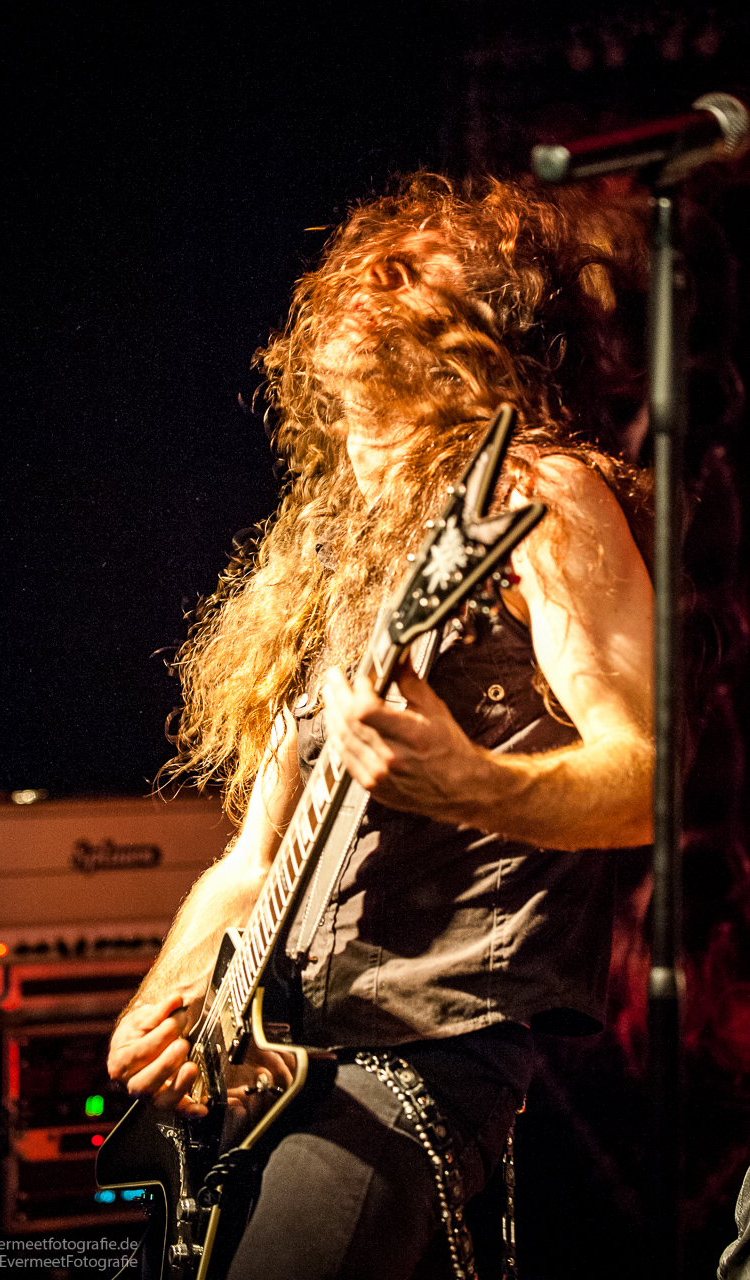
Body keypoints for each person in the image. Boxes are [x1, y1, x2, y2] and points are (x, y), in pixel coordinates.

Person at [107, 173, 655, 1279]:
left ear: (489, 336)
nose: (380, 273)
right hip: (267, 1070)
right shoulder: (333, 563)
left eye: (419, 267)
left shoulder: (537, 496)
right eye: (368, 261)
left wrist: (476, 784)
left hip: (414, 1064)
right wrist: (167, 998)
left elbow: (650, 769)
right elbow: (253, 861)